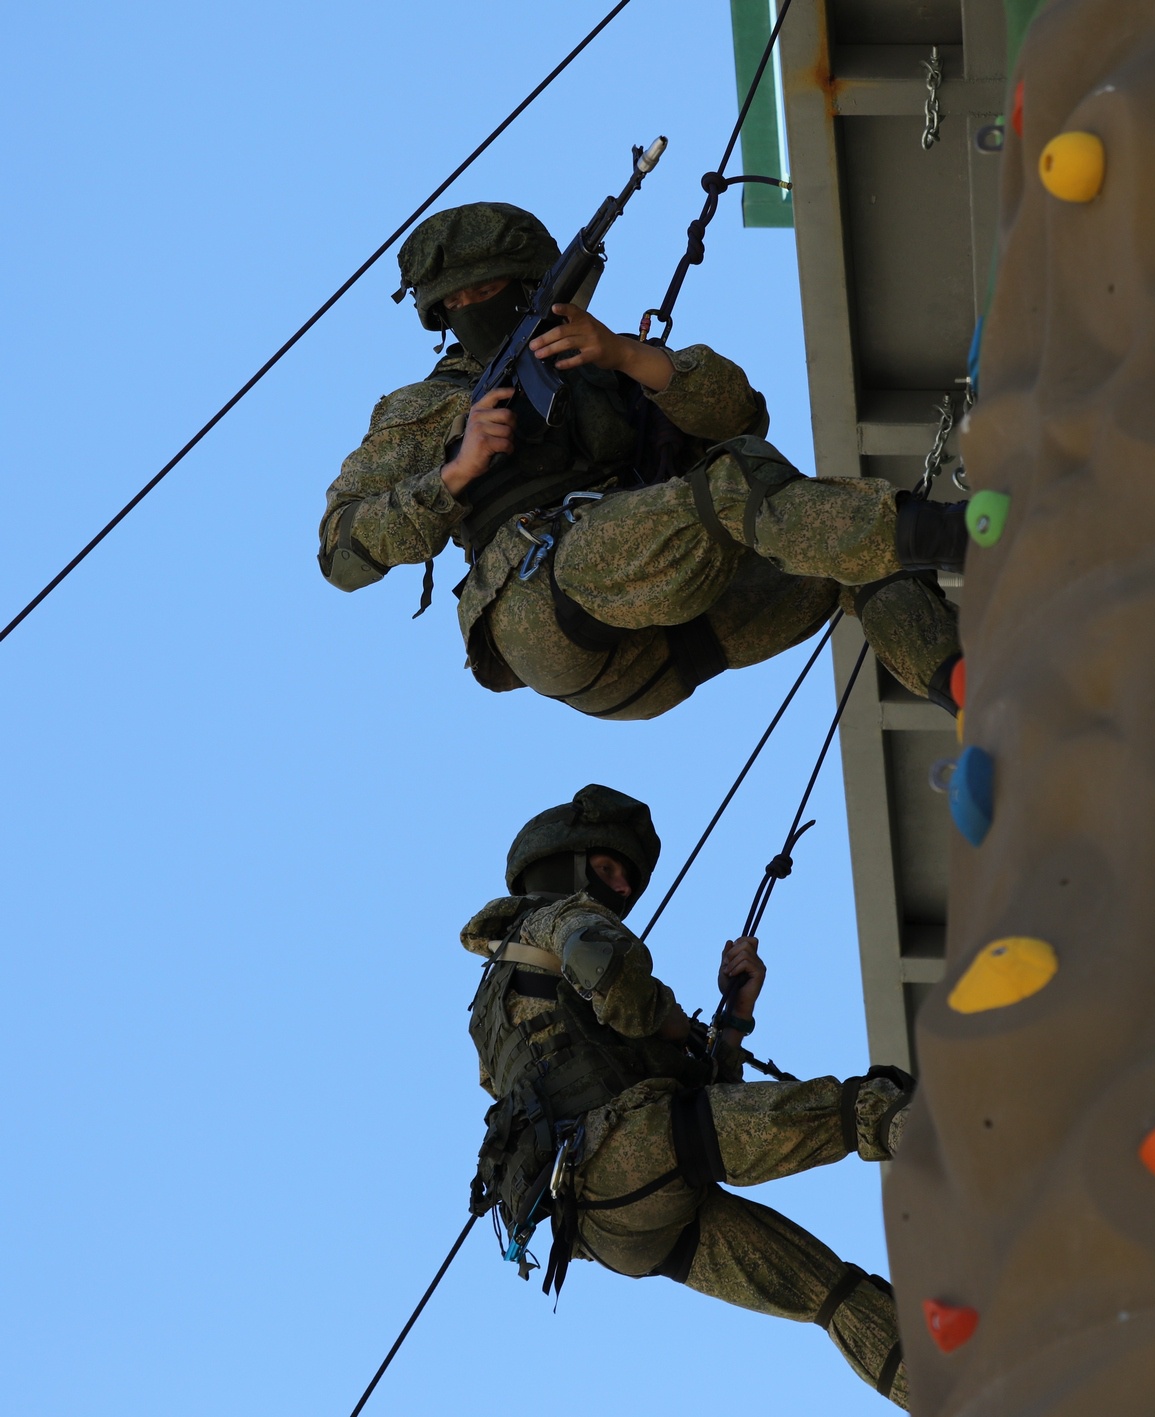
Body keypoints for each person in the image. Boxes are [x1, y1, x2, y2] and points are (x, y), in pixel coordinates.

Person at [318, 202, 967, 721]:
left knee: (846, 549)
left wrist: (627, 357)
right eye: (453, 306)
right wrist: (455, 471)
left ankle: (965, 691)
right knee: (743, 487)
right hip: (543, 605)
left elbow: (741, 419)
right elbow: (341, 552)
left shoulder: (598, 360)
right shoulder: (428, 407)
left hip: (674, 621)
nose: (470, 311)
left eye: (484, 291)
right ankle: (961, 536)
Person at [464, 783, 914, 1407]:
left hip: (610, 1232)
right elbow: (616, 977)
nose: (621, 890)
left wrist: (731, 1019)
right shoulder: (555, 917)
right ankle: (983, 1141)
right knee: (854, 1110)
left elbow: (707, 1110)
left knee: (826, 1295)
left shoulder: (487, 1019)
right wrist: (676, 1020)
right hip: (630, 1151)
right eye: (608, 869)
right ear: (561, 867)